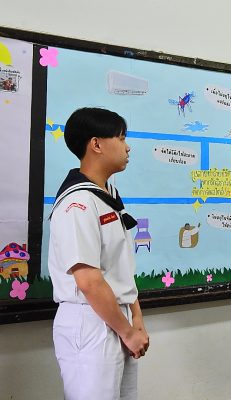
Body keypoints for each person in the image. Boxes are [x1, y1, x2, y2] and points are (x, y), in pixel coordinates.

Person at [48, 107, 149, 400]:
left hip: (117, 317)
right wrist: (128, 332)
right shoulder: (78, 203)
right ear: (96, 144)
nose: (128, 147)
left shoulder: (106, 198)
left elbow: (119, 268)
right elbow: (89, 281)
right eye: (121, 138)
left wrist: (136, 319)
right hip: (90, 321)